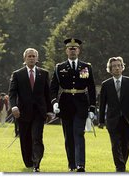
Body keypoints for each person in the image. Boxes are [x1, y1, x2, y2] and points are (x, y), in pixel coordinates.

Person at [50, 38, 96, 172]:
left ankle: (81, 164)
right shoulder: (60, 67)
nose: (73, 50)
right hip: (65, 105)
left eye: (75, 48)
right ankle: (72, 165)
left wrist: (92, 107)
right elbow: (53, 88)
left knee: (79, 134)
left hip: (81, 104)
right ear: (66, 51)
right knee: (68, 136)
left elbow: (91, 88)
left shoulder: (86, 67)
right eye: (70, 48)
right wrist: (54, 102)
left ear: (79, 50)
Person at [8, 48, 53, 172]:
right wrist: (14, 106)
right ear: (25, 59)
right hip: (22, 113)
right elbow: (12, 93)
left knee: (37, 137)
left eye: (34, 56)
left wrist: (49, 111)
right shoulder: (17, 74)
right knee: (25, 139)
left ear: (37, 58)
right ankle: (29, 162)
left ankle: (36, 163)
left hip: (39, 112)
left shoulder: (44, 74)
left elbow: (47, 94)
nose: (32, 58)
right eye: (29, 56)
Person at [98, 56, 129, 172]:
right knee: (115, 144)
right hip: (113, 120)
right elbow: (102, 104)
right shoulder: (106, 84)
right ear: (110, 69)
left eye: (119, 66)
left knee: (126, 143)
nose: (116, 68)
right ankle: (120, 166)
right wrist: (101, 121)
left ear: (122, 67)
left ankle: (122, 163)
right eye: (114, 66)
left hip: (128, 119)